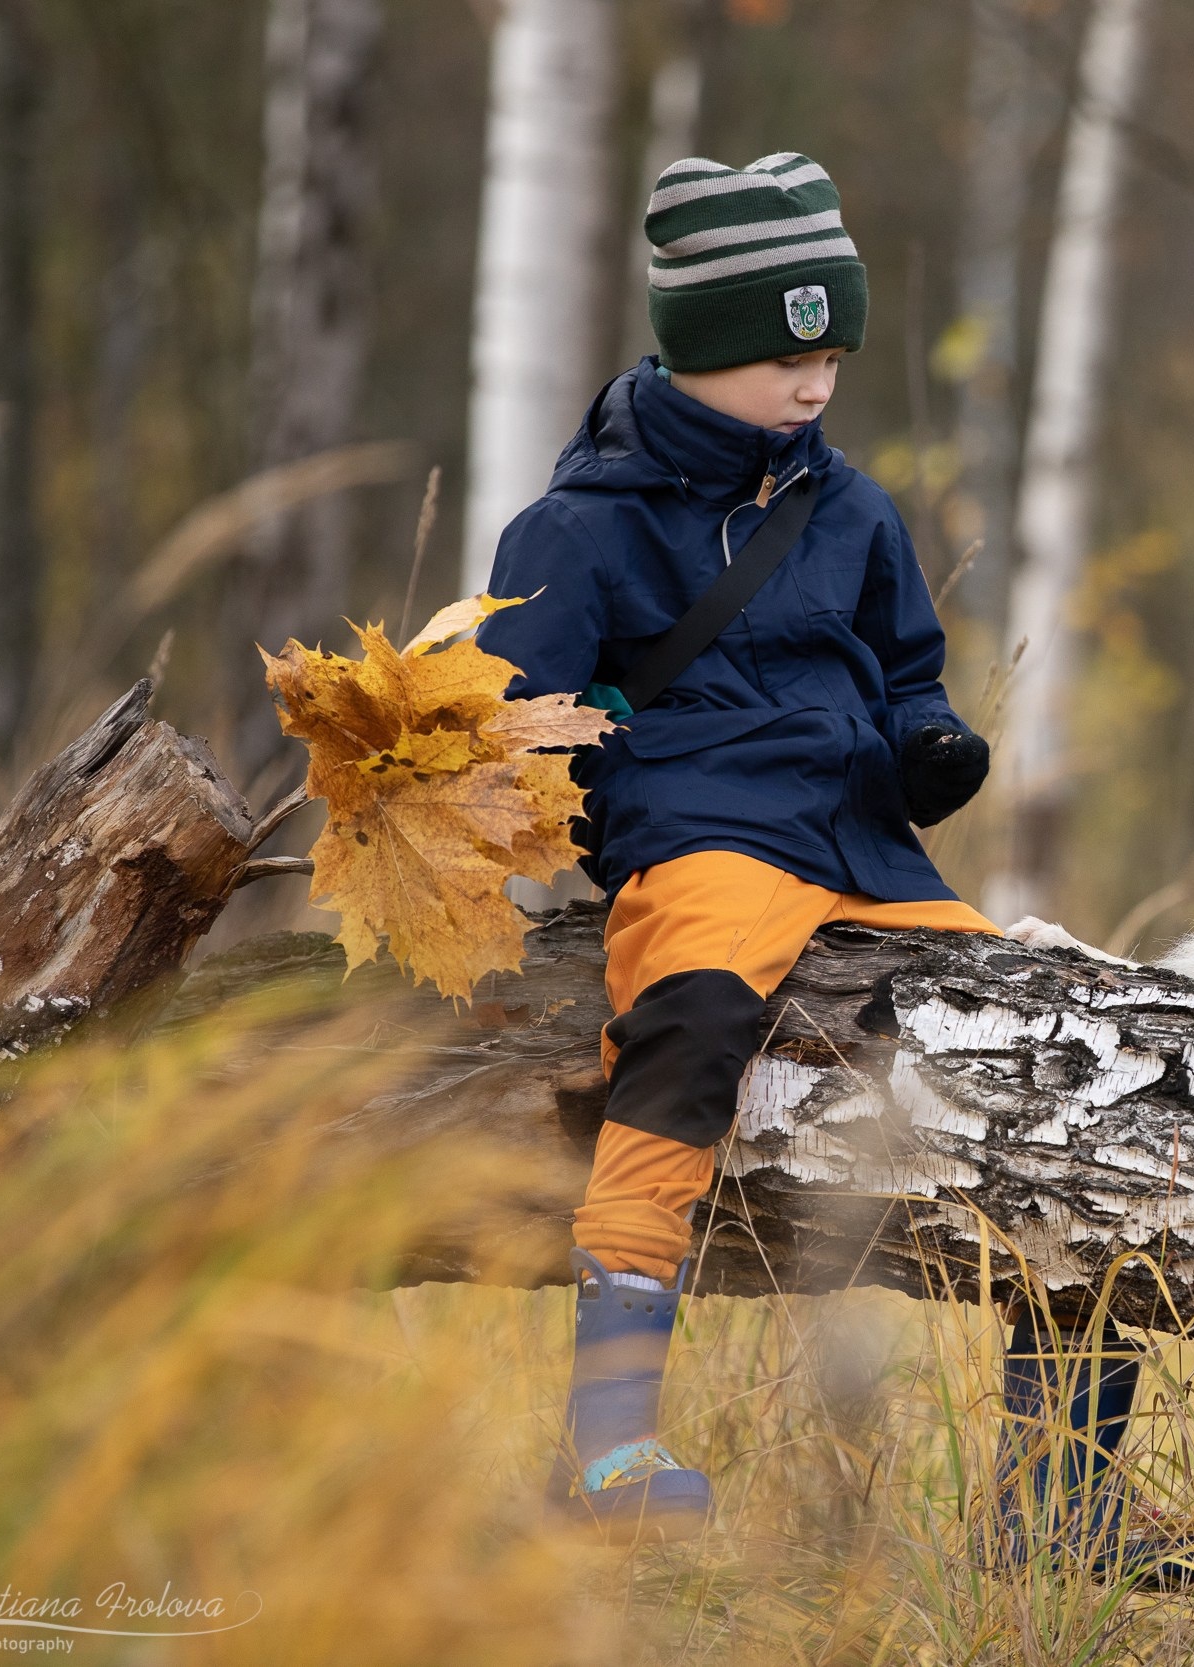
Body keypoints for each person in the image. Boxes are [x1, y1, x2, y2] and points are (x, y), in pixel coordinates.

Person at [480, 151, 1020, 1545]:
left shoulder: (852, 510)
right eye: (784, 356)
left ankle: (1063, 1493)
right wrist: (551, 750)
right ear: (698, 350)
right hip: (705, 836)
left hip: (868, 852)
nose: (814, 384)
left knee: (1054, 1053)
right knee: (691, 1030)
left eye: (833, 353)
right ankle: (605, 1447)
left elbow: (907, 673)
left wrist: (931, 743)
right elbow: (504, 730)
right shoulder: (578, 528)